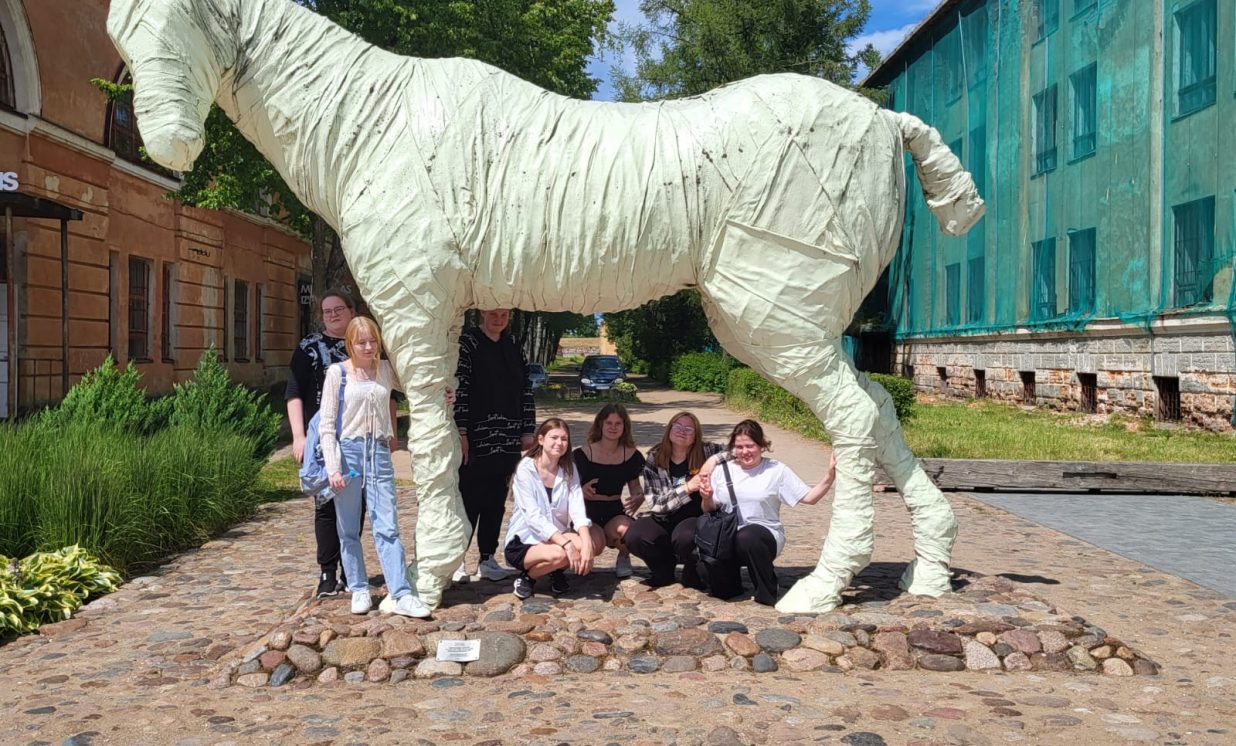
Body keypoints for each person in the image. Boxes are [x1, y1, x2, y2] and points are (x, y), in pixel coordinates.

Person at [287, 289, 397, 598]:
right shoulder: (309, 347)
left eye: (339, 309)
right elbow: (294, 392)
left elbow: (387, 393)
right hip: (323, 437)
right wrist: (299, 436)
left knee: (356, 505)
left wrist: (391, 434)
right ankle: (328, 572)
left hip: (361, 438)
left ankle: (352, 574)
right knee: (325, 504)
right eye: (327, 311)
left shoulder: (369, 344)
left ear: (351, 311)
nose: (333, 315)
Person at [319, 317, 430, 618]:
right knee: (348, 527)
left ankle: (401, 592)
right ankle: (357, 587)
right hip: (348, 454)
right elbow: (327, 425)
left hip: (379, 452)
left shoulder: (385, 370)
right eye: (361, 342)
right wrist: (333, 468)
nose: (368, 347)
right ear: (350, 344)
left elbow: (418, 387)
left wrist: (445, 392)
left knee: (388, 526)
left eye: (372, 341)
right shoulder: (337, 373)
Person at [698, 419, 835, 606]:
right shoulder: (722, 470)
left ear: (762, 446)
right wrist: (706, 498)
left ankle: (767, 589)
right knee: (718, 586)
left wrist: (829, 476)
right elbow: (708, 509)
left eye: (750, 446)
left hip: (763, 535)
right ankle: (732, 584)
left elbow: (810, 498)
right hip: (727, 537)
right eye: (739, 447)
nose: (745, 452)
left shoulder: (776, 470)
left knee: (748, 536)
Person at [453, 309, 536, 583]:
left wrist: (528, 429)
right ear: (482, 313)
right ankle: (457, 559)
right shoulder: (468, 343)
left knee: (496, 500)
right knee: (468, 498)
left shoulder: (513, 345)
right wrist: (461, 430)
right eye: (493, 313)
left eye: (503, 314)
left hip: (508, 437)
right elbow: (461, 388)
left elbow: (526, 389)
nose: (498, 319)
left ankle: (487, 557)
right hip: (476, 436)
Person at [623, 411, 725, 588]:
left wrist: (713, 460)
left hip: (696, 517)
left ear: (696, 435)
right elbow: (656, 504)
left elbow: (739, 449)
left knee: (685, 537)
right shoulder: (655, 457)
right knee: (635, 535)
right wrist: (687, 488)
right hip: (664, 516)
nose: (682, 431)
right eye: (677, 426)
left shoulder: (708, 451)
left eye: (689, 429)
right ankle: (663, 568)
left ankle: (692, 569)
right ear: (669, 429)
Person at [504, 418, 603, 599]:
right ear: (541, 439)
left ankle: (554, 570)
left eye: (564, 439)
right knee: (560, 554)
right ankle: (529, 577)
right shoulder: (525, 470)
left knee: (590, 545)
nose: (559, 443)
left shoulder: (569, 469)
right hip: (524, 541)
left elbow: (577, 509)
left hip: (556, 538)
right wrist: (566, 544)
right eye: (554, 437)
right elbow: (533, 517)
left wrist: (587, 542)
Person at [572, 404, 646, 577]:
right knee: (593, 544)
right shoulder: (582, 454)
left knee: (630, 531)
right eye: (609, 423)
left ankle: (624, 556)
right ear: (600, 424)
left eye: (618, 423)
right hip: (588, 510)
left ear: (625, 427)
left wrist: (639, 496)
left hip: (614, 509)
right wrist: (581, 491)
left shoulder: (631, 455)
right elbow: (568, 488)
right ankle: (583, 557)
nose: (613, 427)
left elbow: (635, 486)